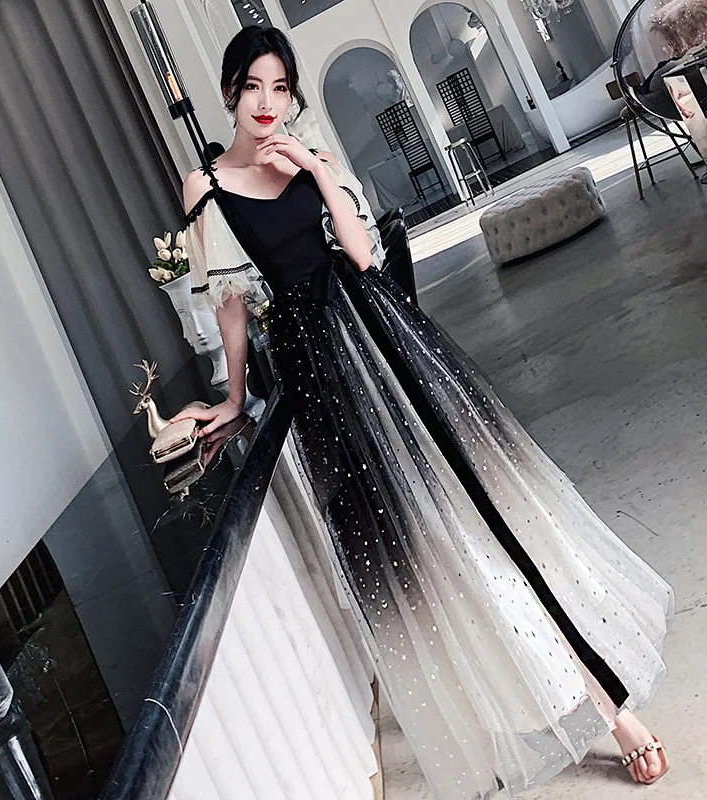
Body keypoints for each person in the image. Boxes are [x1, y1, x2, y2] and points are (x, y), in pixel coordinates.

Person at [173, 26, 674, 798]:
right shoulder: (204, 186)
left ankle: (610, 709)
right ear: (229, 91)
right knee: (423, 549)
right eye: (253, 88)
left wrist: (313, 167)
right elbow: (231, 306)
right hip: (319, 373)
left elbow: (360, 254)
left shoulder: (306, 154)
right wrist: (236, 397)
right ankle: (522, 696)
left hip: (384, 337)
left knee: (485, 513)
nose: (268, 103)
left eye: (281, 88)